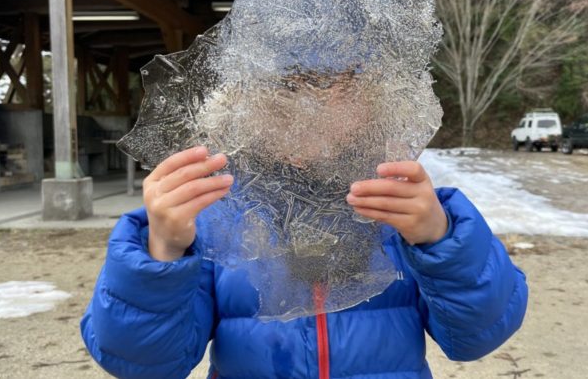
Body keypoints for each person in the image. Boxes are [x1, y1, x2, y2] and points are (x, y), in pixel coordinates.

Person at [80, 143, 529, 378]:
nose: (311, 112)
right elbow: (145, 364)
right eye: (287, 90)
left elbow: (475, 337)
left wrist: (440, 239)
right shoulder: (221, 217)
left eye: (341, 87)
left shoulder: (398, 210)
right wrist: (163, 251)